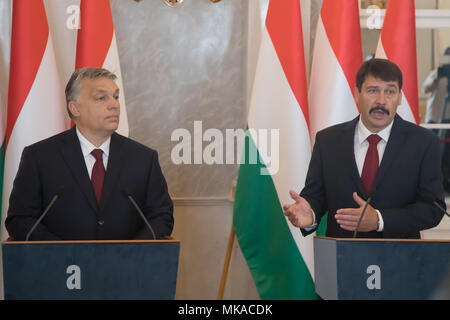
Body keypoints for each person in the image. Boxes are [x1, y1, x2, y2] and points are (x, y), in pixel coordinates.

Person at [283, 58, 446, 239]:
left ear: (400, 97)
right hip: (343, 257)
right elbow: (316, 196)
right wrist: (310, 214)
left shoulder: (423, 143)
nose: (381, 101)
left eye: (390, 92)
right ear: (357, 93)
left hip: (400, 259)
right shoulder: (328, 141)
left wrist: (379, 220)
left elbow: (432, 209)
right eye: (373, 91)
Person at [5, 68, 174, 241]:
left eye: (115, 97)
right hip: (59, 266)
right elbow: (20, 220)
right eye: (101, 98)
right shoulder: (39, 157)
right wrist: (64, 253)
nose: (114, 105)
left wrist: (129, 252)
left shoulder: (144, 159)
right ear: (75, 108)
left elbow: (161, 217)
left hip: (128, 264)